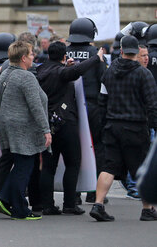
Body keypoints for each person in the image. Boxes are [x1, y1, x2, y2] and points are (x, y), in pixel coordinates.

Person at [90, 36, 157, 222]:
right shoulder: (144, 74)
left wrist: (104, 125)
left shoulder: (109, 73)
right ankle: (147, 209)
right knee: (140, 169)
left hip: (112, 126)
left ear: (120, 51)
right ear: (136, 53)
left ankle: (98, 204)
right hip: (136, 127)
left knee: (109, 166)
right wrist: (154, 125)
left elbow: (101, 100)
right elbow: (153, 105)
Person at [37, 41, 104, 215]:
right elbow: (77, 71)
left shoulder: (41, 70)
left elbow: (63, 72)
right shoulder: (62, 72)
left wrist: (65, 65)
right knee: (73, 163)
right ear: (64, 56)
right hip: (66, 123)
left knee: (48, 167)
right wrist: (97, 58)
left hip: (47, 125)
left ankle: (47, 205)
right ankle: (69, 203)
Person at [0, 41, 50, 221]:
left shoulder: (5, 74)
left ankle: (9, 201)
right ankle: (15, 206)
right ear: (23, 58)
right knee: (24, 167)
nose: (34, 57)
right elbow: (36, 106)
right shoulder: (26, 77)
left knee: (20, 165)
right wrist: (46, 129)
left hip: (8, 124)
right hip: (24, 127)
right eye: (31, 54)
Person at [65, 17, 106, 203]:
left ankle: (75, 193)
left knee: (73, 151)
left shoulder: (65, 52)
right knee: (96, 147)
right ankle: (93, 192)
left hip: (70, 107)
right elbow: (104, 81)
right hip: (92, 106)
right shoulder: (96, 54)